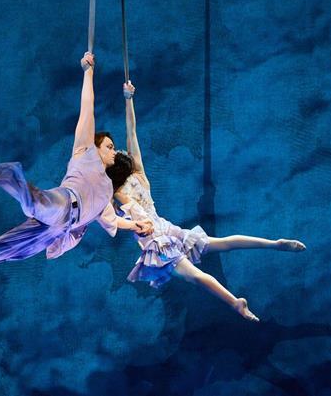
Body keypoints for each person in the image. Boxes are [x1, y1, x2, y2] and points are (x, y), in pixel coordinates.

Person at [0, 53, 153, 287]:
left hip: (58, 230)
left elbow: (113, 221)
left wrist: (137, 225)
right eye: (109, 146)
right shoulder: (84, 151)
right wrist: (88, 73)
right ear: (96, 146)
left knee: (2, 251)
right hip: (65, 202)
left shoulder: (106, 193)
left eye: (114, 149)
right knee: (37, 201)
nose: (113, 151)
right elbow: (87, 108)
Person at [106, 81, 306, 322]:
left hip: (158, 241)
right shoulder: (139, 175)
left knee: (196, 276)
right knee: (221, 244)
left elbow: (116, 153)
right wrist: (129, 100)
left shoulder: (115, 192)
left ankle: (236, 303)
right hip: (167, 229)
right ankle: (274, 244)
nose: (115, 151)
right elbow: (132, 132)